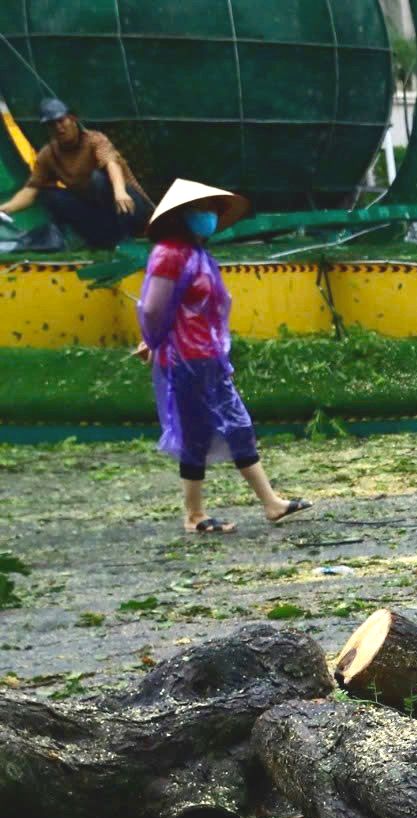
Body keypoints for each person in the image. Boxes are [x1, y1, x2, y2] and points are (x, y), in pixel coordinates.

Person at [134, 178, 310, 535]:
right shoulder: (169, 254)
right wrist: (152, 340)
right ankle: (194, 514)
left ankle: (271, 503)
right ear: (182, 215)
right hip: (185, 359)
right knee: (197, 432)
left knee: (237, 425)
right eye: (202, 209)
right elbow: (153, 308)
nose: (210, 215)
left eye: (213, 209)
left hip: (208, 358)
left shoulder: (197, 255)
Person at [0, 98, 151, 250]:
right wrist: (6, 208)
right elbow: (31, 189)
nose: (59, 128)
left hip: (128, 207)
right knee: (49, 194)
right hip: (98, 214)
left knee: (97, 179)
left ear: (73, 119)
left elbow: (111, 163)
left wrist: (119, 191)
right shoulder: (48, 154)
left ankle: (127, 238)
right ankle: (97, 239)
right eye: (52, 124)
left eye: (61, 121)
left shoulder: (94, 140)